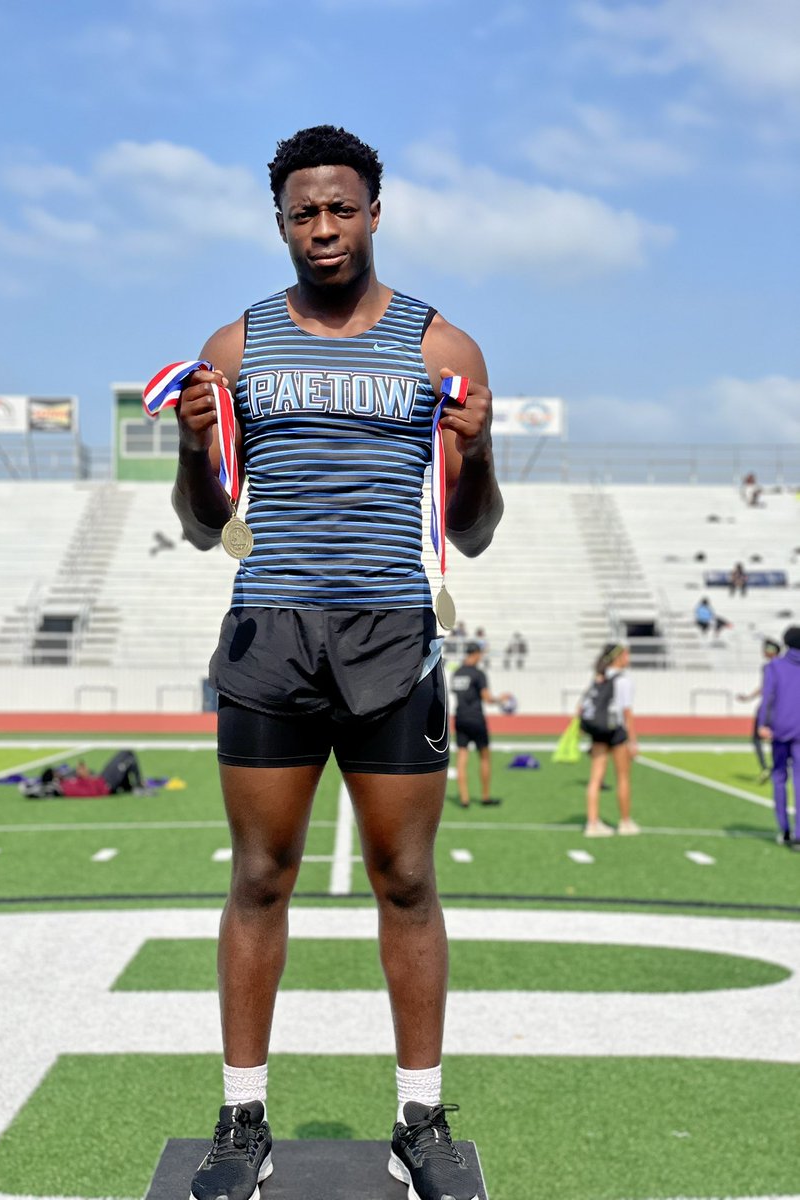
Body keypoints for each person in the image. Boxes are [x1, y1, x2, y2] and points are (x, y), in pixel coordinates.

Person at [171, 126, 503, 1200]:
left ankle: (421, 1117)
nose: (324, 227)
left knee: (405, 880)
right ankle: (241, 1118)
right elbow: (200, 523)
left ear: (374, 210)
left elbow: (480, 528)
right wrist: (189, 451)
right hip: (271, 630)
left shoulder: (442, 349)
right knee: (259, 878)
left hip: (393, 637)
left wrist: (479, 452)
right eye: (303, 212)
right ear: (280, 221)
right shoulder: (235, 347)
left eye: (341, 208)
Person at [579, 643, 639, 837]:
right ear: (618, 658)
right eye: (626, 654)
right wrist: (633, 740)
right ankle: (625, 822)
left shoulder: (599, 677)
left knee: (595, 778)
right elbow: (626, 712)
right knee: (622, 777)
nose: (628, 657)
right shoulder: (623, 680)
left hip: (599, 731)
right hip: (616, 730)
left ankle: (592, 823)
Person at [451, 642, 511, 808]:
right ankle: (485, 797)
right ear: (476, 654)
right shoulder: (478, 674)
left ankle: (464, 799)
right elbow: (487, 698)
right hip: (476, 719)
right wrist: (501, 700)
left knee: (462, 758)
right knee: (484, 756)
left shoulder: (456, 673)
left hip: (460, 718)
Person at [759, 626, 800, 849]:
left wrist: (762, 724)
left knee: (779, 777)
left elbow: (768, 697)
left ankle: (784, 829)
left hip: (780, 728)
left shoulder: (775, 666)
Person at [737, 638, 781, 783]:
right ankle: (778, 768)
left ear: (771, 651)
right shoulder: (787, 667)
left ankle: (766, 768)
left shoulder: (769, 667)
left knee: (757, 738)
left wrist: (749, 698)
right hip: (782, 709)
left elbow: (766, 688)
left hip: (768, 709)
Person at [19, 750, 145, 798]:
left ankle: (129, 787)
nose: (59, 772)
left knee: (125, 757)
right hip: (105, 785)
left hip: (102, 782)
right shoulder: (63, 787)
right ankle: (139, 786)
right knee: (127, 754)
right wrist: (83, 775)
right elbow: (40, 792)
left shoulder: (66, 782)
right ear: (54, 777)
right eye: (56, 772)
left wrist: (84, 774)